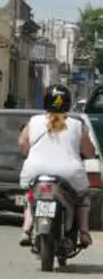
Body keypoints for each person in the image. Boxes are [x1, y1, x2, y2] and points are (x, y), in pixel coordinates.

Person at [18, 84, 95, 247]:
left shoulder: (34, 122)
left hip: (35, 171)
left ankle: (26, 228)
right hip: (69, 173)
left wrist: (27, 153)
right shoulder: (77, 124)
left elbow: (22, 145)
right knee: (82, 197)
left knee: (29, 196)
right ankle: (83, 231)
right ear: (67, 103)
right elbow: (89, 151)